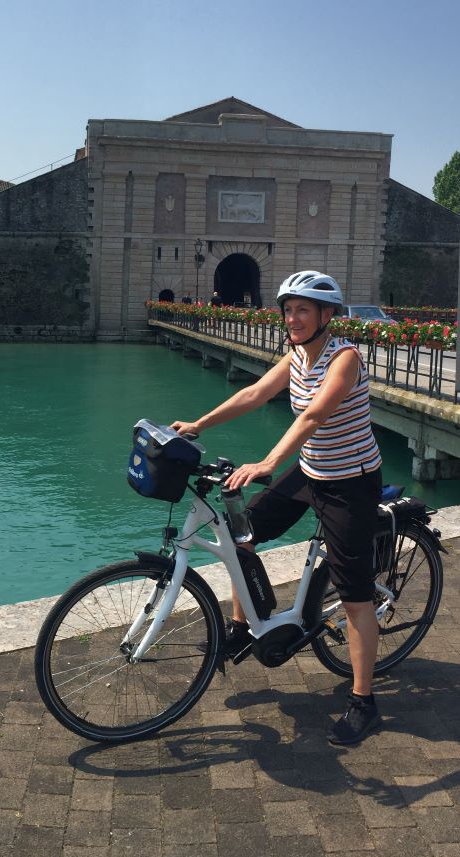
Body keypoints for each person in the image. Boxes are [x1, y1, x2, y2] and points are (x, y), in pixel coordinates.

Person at [170, 270, 385, 746]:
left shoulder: (344, 358)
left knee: (354, 597)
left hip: (351, 481)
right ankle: (242, 627)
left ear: (327, 315)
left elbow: (313, 415)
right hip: (312, 470)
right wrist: (198, 425)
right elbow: (253, 394)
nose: (293, 318)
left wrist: (268, 461)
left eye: (303, 310)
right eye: (288, 309)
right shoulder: (295, 356)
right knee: (240, 533)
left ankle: (364, 702)